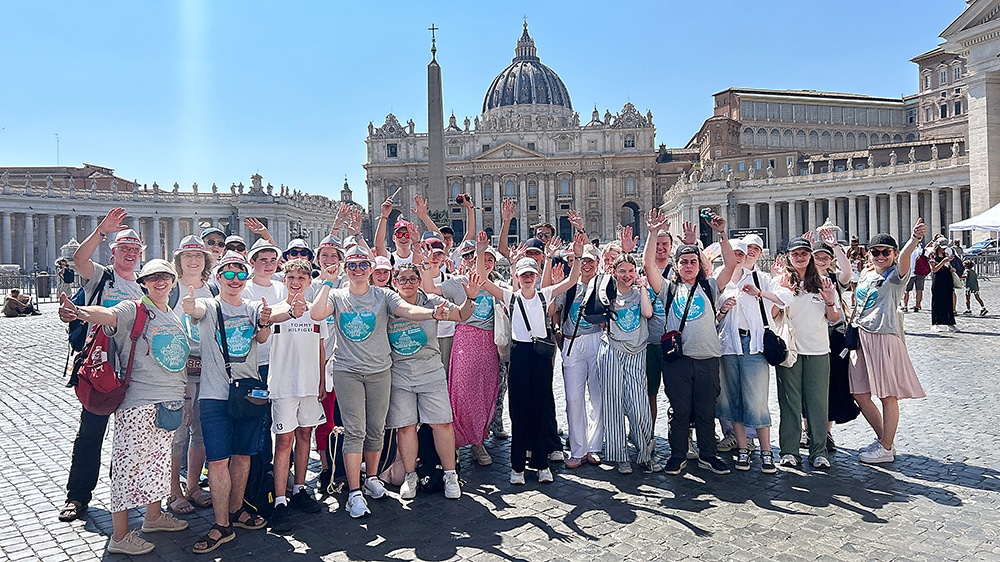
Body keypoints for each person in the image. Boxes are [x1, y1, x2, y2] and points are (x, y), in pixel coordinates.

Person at [309, 245, 453, 518]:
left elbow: (408, 310)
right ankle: (354, 493)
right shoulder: (338, 296)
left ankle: (372, 477)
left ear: (371, 269)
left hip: (380, 371)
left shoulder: (383, 295)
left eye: (363, 265)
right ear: (346, 270)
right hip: (348, 371)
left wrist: (432, 313)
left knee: (376, 429)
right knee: (355, 431)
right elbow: (316, 314)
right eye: (351, 266)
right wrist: (328, 280)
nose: (358, 270)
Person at [58, 259, 191, 555]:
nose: (160, 282)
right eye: (153, 278)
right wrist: (79, 312)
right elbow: (107, 314)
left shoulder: (170, 313)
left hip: (167, 401)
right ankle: (120, 535)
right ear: (143, 282)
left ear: (172, 282)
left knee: (158, 465)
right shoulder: (134, 308)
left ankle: (154, 517)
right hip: (138, 403)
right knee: (128, 468)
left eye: (165, 277)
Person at [181, 251, 294, 554]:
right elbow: (195, 310)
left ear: (246, 279)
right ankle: (220, 524)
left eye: (240, 274)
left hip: (248, 392)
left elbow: (273, 315)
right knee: (218, 460)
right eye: (228, 274)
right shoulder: (209, 305)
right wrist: (190, 306)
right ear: (218, 278)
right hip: (215, 394)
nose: (234, 279)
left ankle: (234, 511)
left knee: (243, 456)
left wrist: (290, 310)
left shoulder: (254, 306)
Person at [476, 230, 585, 485]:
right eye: (523, 274)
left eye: (531, 275)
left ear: (536, 278)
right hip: (520, 354)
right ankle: (517, 467)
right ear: (517, 276)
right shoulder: (509, 296)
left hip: (540, 356)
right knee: (518, 409)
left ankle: (541, 463)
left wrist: (577, 257)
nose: (527, 278)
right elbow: (482, 279)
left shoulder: (544, 294)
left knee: (540, 406)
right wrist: (481, 252)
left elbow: (570, 281)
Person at [58, 209, 146, 524]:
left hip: (134, 370)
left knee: (130, 438)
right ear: (113, 251)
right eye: (125, 248)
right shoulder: (102, 275)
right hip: (100, 365)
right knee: (90, 433)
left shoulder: (145, 287)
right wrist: (100, 231)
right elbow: (79, 261)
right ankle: (77, 496)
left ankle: (123, 496)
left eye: (136, 249)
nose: (131, 253)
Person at [645, 209, 737, 476]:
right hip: (678, 360)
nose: (687, 266)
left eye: (692, 262)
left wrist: (721, 234)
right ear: (676, 266)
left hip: (708, 357)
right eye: (683, 262)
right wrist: (652, 235)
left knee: (706, 410)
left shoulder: (710, 286)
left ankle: (708, 454)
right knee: (680, 409)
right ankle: (677, 455)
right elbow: (650, 266)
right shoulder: (669, 289)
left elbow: (730, 265)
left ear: (699, 265)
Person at [387, 263, 478, 500]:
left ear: (419, 280)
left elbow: (462, 315)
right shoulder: (389, 304)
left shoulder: (433, 302)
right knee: (405, 426)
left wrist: (470, 298)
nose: (407, 283)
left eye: (412, 279)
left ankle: (450, 474)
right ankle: (410, 475)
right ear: (395, 282)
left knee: (442, 423)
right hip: (400, 373)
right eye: (402, 279)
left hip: (430, 371)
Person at [850, 221, 928, 464]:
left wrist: (914, 239)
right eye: (876, 251)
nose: (881, 255)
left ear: (893, 254)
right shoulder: (865, 274)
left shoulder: (896, 276)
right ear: (869, 253)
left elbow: (906, 260)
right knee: (859, 392)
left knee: (887, 395)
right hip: (861, 336)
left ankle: (885, 446)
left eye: (886, 251)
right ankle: (885, 440)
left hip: (883, 336)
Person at [714, 237, 785, 474]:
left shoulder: (761, 279)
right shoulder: (720, 282)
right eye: (733, 254)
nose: (737, 259)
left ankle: (766, 452)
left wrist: (760, 293)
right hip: (728, 346)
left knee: (756, 401)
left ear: (747, 257)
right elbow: (710, 319)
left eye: (741, 255)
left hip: (753, 346)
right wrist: (722, 310)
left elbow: (785, 300)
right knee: (732, 399)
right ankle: (743, 449)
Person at [266, 259, 326, 534]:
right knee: (283, 441)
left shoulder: (317, 313)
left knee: (305, 436)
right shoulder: (275, 310)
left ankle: (300, 487)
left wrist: (323, 382)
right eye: (291, 276)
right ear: (283, 279)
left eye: (302, 277)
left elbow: (321, 348)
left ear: (309, 281)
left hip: (310, 385)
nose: (296, 281)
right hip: (283, 386)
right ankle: (280, 499)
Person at [771, 237, 841, 470]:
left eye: (804, 253)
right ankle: (789, 451)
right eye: (795, 254)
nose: (799, 257)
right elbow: (771, 315)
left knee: (818, 402)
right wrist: (783, 296)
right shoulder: (779, 282)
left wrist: (830, 302)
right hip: (790, 349)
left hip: (818, 349)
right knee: (789, 401)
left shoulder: (824, 283)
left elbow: (834, 318)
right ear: (789, 257)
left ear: (810, 256)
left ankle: (818, 451)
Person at [167, 235, 217, 515]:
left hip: (207, 367)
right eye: (188, 256)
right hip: (178, 370)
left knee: (200, 432)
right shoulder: (171, 289)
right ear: (179, 261)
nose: (194, 260)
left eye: (199, 256)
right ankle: (173, 490)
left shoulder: (211, 289)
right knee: (177, 433)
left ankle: (193, 487)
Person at [443, 240, 505, 465]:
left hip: (489, 342)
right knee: (461, 392)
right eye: (481, 258)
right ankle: (456, 442)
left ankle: (478, 442)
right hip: (465, 340)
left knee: (486, 391)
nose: (485, 263)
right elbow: (431, 289)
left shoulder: (498, 284)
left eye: (490, 259)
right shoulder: (458, 282)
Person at [599, 253, 660, 474]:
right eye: (622, 271)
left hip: (637, 352)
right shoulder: (606, 293)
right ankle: (620, 456)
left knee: (640, 407)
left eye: (630, 271)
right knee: (613, 404)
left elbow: (647, 312)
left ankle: (645, 453)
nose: (627, 275)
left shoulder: (639, 293)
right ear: (615, 272)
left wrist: (643, 287)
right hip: (612, 351)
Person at [555, 241, 604, 470]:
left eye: (590, 261)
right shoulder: (568, 285)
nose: (586, 265)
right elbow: (555, 310)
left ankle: (594, 447)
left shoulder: (603, 284)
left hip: (596, 340)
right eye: (582, 260)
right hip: (572, 342)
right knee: (573, 399)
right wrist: (556, 329)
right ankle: (577, 450)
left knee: (597, 397)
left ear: (597, 263)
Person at [810, 234, 858, 455]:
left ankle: (826, 431)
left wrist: (836, 246)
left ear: (831, 259)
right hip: (810, 335)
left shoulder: (836, 278)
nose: (820, 260)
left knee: (831, 384)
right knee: (809, 383)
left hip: (835, 337)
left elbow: (847, 271)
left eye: (824, 257)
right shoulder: (804, 279)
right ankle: (806, 428)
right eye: (816, 256)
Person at [929, 241, 958, 332]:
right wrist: (943, 261)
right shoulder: (932, 255)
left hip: (947, 279)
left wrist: (952, 269)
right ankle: (935, 323)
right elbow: (934, 270)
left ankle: (950, 323)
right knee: (937, 301)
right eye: (942, 247)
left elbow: (948, 266)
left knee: (948, 301)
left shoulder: (946, 255)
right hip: (938, 280)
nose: (944, 249)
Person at [902, 243, 930, 312]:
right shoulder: (920, 250)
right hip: (920, 272)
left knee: (907, 290)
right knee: (919, 290)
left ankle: (905, 306)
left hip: (910, 273)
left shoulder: (908, 251)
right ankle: (917, 306)